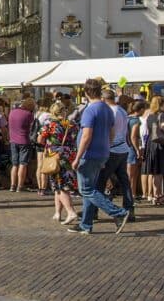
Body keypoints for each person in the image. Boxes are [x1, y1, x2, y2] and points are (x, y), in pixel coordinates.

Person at [68, 79, 129, 235]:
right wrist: (106, 150)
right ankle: (86, 224)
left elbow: (86, 135)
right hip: (102, 152)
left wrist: (77, 157)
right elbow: (112, 132)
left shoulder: (90, 110)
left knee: (86, 190)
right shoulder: (107, 109)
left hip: (89, 154)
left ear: (86, 92)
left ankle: (118, 212)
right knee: (91, 189)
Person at [39, 101, 78, 223]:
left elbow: (40, 139)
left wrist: (49, 143)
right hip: (69, 155)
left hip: (55, 156)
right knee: (59, 184)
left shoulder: (50, 125)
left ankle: (70, 212)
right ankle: (57, 213)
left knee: (60, 185)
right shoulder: (71, 124)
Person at [8, 97, 35, 192]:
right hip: (24, 140)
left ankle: (12, 185)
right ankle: (20, 186)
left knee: (14, 164)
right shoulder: (28, 114)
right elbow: (32, 127)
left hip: (13, 140)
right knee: (23, 164)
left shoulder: (12, 112)